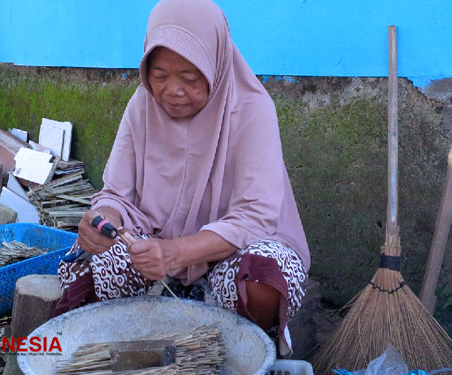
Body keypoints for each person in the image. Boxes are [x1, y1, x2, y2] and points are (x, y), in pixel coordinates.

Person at [55, 0, 310, 356]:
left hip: (228, 258)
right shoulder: (142, 106)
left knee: (267, 270)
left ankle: (243, 349)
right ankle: (126, 342)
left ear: (216, 66)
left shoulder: (252, 110)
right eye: (159, 76)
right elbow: (116, 193)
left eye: (190, 78)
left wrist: (175, 252)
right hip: (153, 257)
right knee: (97, 258)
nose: (172, 91)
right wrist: (105, 220)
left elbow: (256, 216)